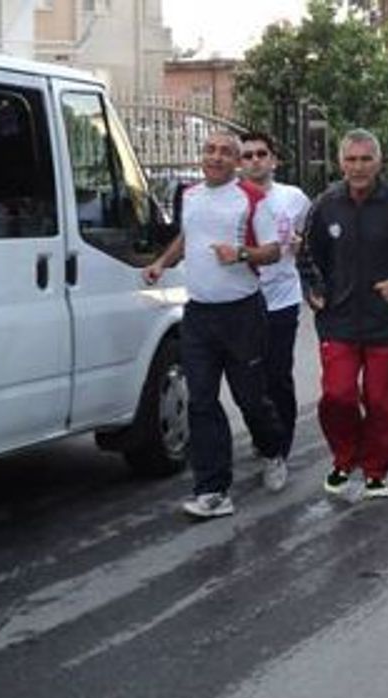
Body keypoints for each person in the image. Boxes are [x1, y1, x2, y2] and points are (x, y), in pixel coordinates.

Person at [142, 130, 289, 519]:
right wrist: (161, 263)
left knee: (250, 398)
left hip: (242, 314)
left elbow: (274, 251)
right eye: (210, 150)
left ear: (237, 162)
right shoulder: (190, 195)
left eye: (226, 152)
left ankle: (273, 449)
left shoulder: (252, 198)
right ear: (202, 156)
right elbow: (187, 236)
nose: (216, 157)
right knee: (201, 402)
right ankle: (213, 489)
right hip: (199, 314)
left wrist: (240, 254)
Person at [299, 128, 388, 500]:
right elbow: (307, 256)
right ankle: (344, 458)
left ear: (378, 162)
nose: (358, 167)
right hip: (338, 321)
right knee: (337, 396)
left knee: (382, 404)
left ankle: (375, 470)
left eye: (366, 159)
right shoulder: (325, 205)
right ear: (341, 163)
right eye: (352, 159)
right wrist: (314, 289)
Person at [238, 130, 311, 491]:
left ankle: (279, 449)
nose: (255, 160)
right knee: (248, 379)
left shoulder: (293, 198)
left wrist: (300, 243)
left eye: (261, 154)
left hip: (282, 297)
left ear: (274, 160)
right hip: (241, 299)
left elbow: (310, 238)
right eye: (247, 155)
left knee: (278, 374)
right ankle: (263, 435)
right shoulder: (231, 199)